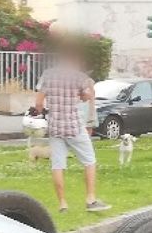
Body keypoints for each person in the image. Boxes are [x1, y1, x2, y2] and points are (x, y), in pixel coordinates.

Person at [35, 37, 109, 213]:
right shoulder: (79, 77)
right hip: (74, 125)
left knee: (57, 164)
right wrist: (83, 95)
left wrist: (43, 112)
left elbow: (38, 102)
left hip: (55, 127)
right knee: (89, 160)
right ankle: (90, 200)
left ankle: (62, 204)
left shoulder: (48, 74)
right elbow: (87, 96)